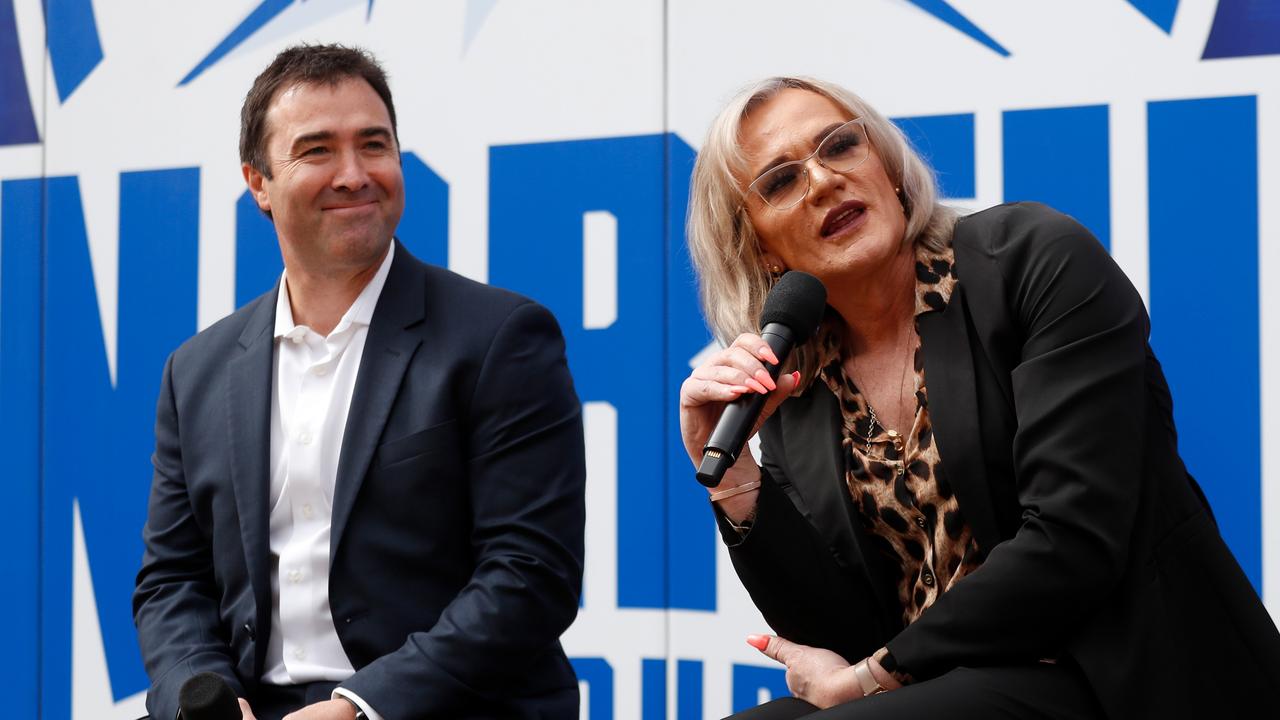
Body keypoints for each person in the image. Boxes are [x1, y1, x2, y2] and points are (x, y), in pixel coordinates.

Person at [680, 76, 1280, 719]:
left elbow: (1072, 542)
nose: (823, 180)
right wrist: (735, 479)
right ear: (759, 248)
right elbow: (837, 637)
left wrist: (872, 678)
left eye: (840, 145)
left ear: (886, 165)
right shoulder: (798, 379)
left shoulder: (1031, 260)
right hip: (928, 690)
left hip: (1109, 670)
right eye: (780, 181)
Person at [133, 44, 586, 720]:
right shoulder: (196, 371)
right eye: (317, 150)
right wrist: (207, 698)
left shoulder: (500, 338)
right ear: (257, 182)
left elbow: (530, 574)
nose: (354, 174)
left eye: (373, 145)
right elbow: (172, 581)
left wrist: (360, 706)